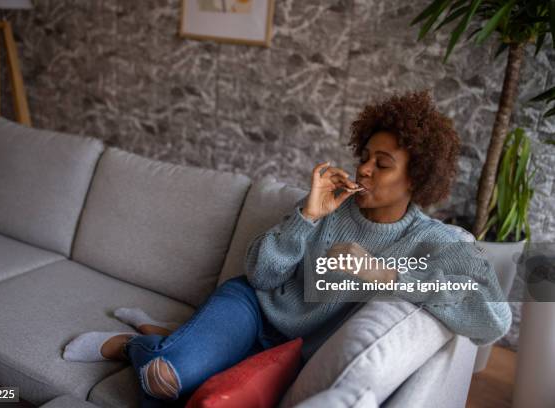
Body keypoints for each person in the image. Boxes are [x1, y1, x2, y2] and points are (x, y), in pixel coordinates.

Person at [61, 89, 512, 405]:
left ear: (416, 179)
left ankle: (153, 340)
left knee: (175, 387)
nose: (365, 168)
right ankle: (130, 344)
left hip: (292, 351)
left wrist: (386, 275)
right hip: (252, 309)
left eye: (383, 163)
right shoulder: (331, 205)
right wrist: (308, 216)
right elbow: (261, 276)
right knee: (167, 378)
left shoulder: (432, 240)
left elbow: (494, 319)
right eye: (365, 156)